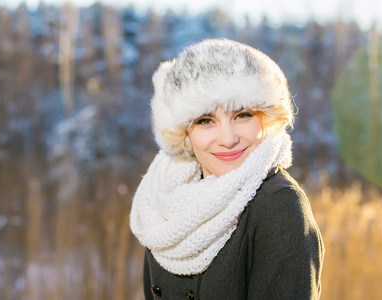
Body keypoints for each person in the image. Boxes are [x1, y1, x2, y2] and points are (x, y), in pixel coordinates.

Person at [130, 38, 324, 299]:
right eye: (205, 120)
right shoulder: (163, 204)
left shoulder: (279, 207)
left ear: (266, 118)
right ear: (184, 132)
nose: (228, 138)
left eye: (242, 115)